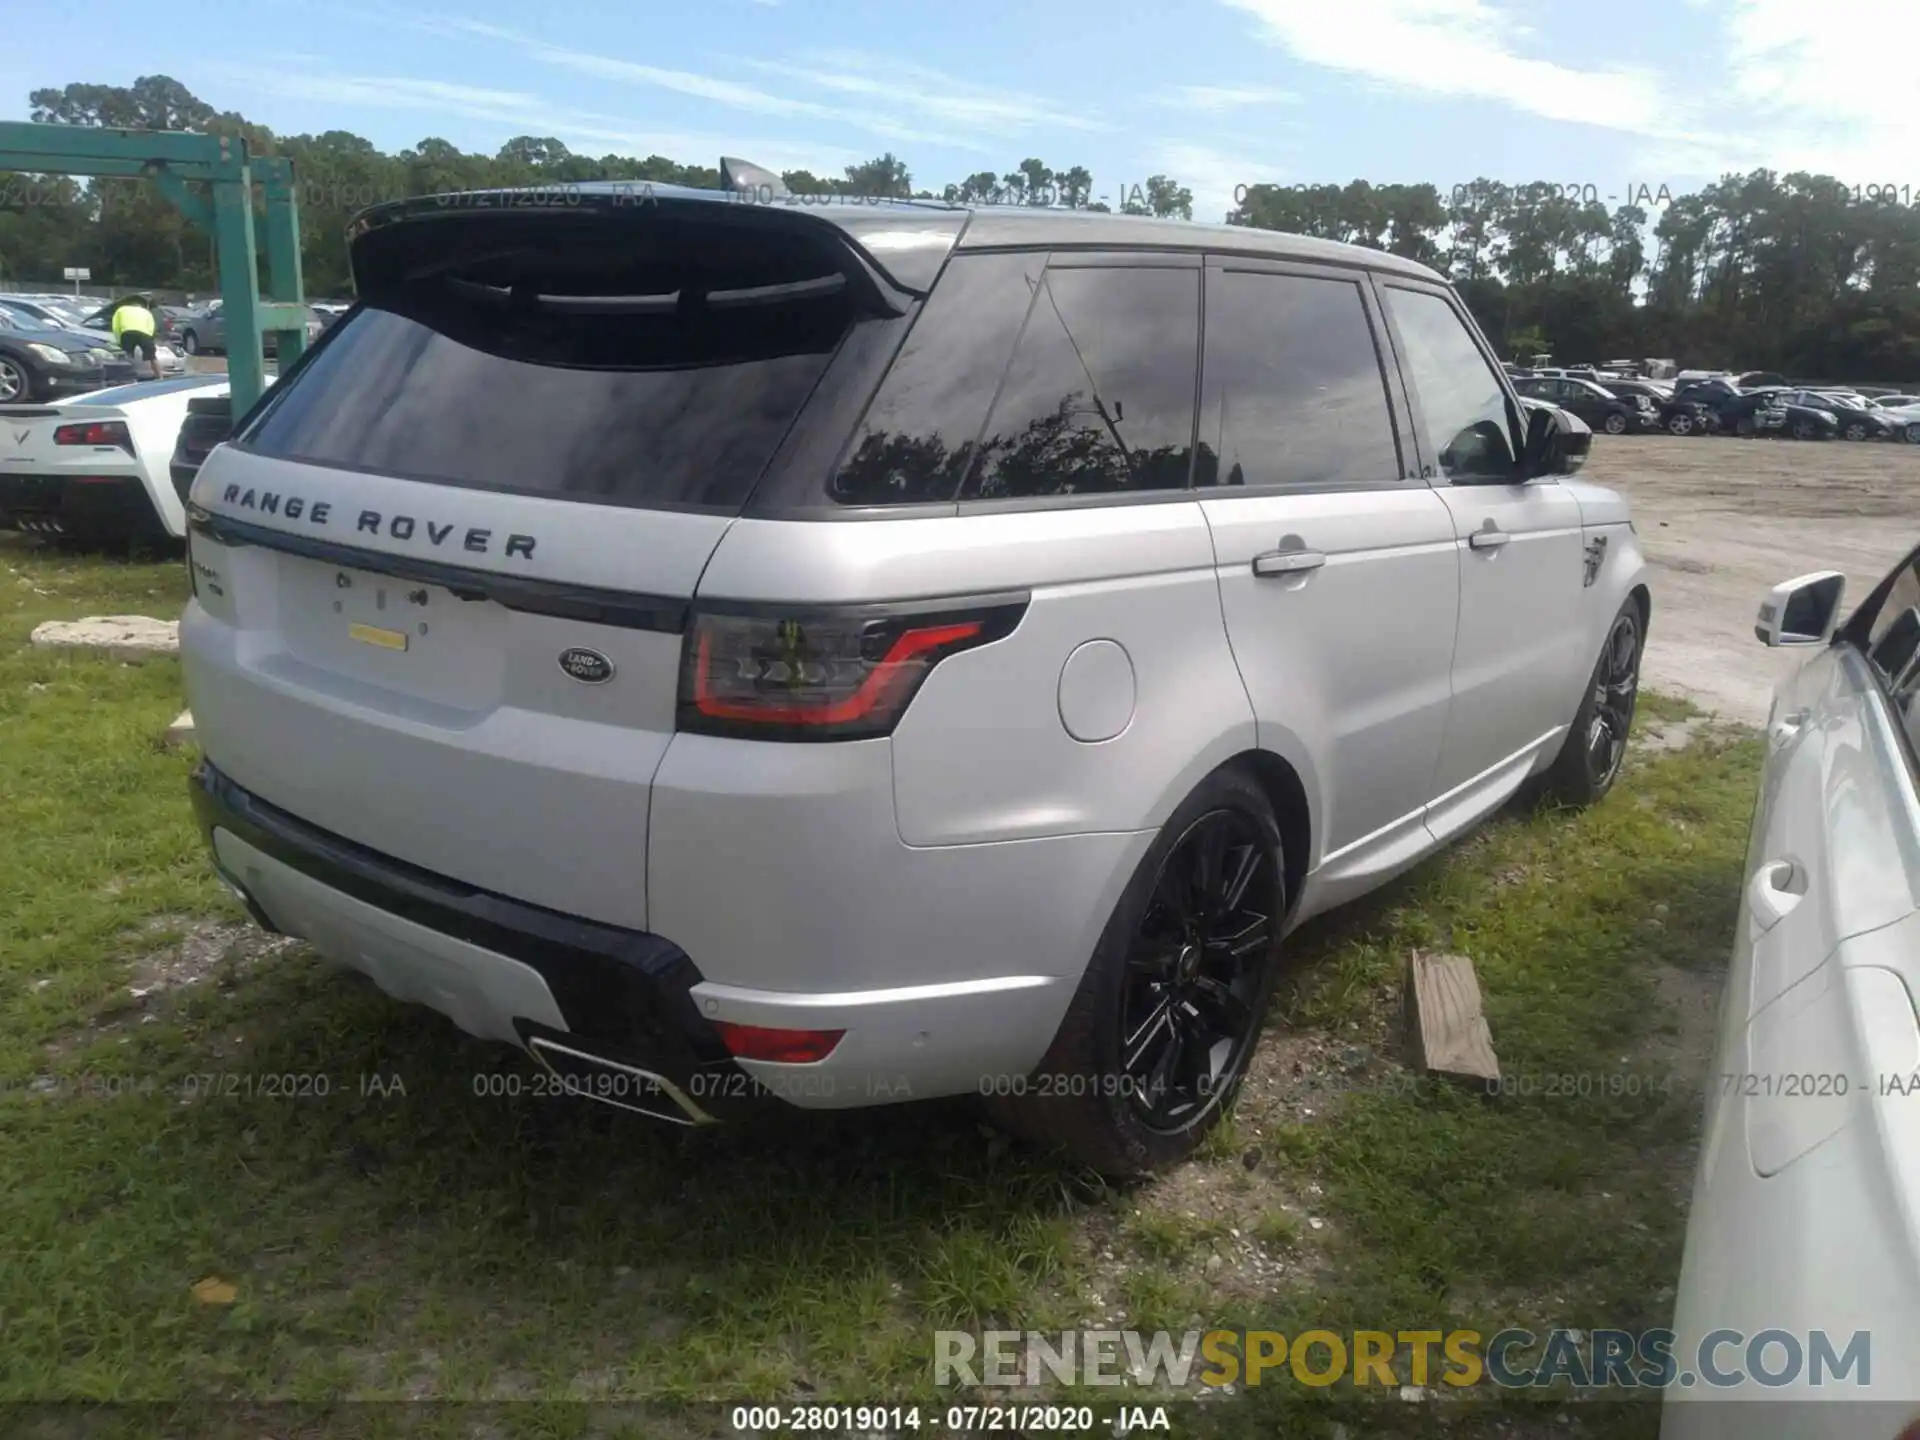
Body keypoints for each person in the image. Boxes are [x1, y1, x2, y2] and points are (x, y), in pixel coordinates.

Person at [110, 294, 164, 381]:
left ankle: (129, 377)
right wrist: (150, 338)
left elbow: (115, 326)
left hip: (127, 332)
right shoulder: (146, 312)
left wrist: (119, 340)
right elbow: (151, 325)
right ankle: (160, 377)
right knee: (152, 357)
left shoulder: (121, 310)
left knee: (128, 356)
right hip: (145, 334)